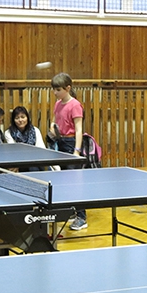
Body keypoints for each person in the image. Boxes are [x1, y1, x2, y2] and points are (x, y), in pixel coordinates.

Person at [49, 73, 88, 230]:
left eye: (58, 90)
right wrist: (52, 128)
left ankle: (82, 217)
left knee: (75, 182)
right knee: (65, 180)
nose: (55, 92)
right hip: (60, 143)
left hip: (71, 143)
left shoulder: (75, 105)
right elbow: (54, 121)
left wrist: (77, 151)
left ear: (68, 88)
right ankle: (72, 210)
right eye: (54, 89)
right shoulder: (58, 104)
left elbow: (78, 130)